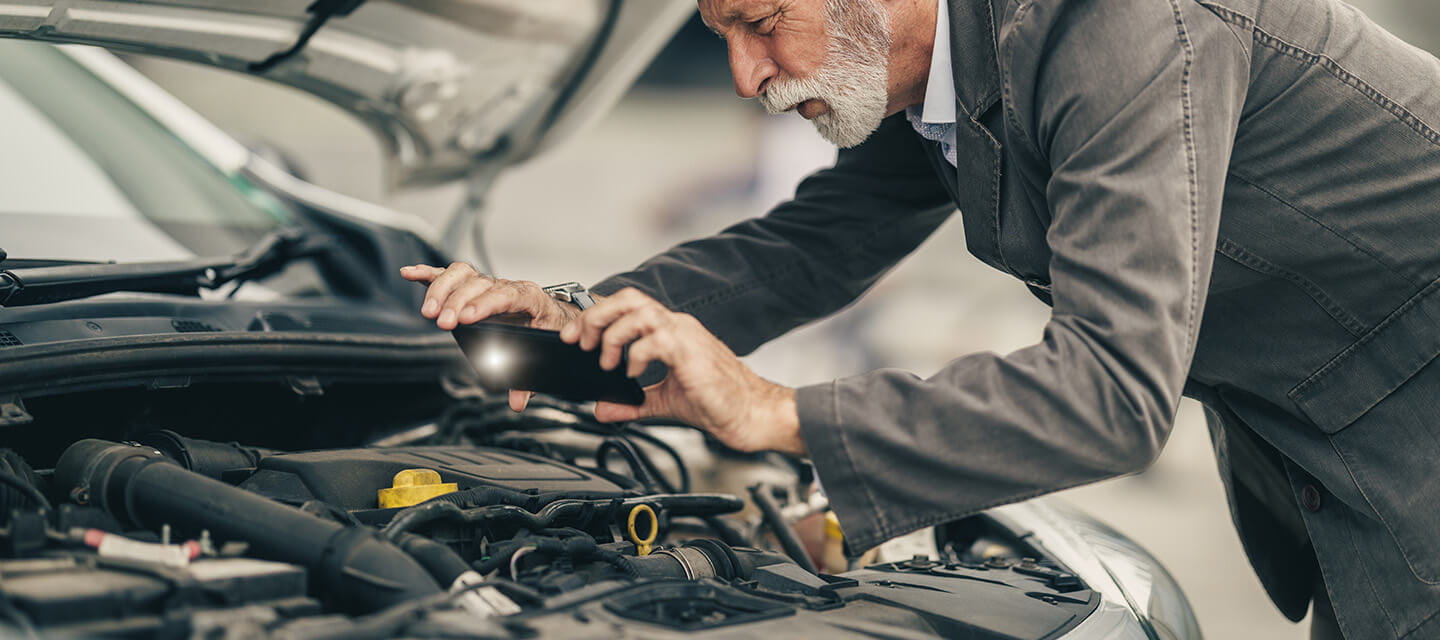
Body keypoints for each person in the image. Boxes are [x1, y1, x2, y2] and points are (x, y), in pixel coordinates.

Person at [402, 0, 1440, 637]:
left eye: (762, 23)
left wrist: (778, 411)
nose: (746, 78)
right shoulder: (957, 49)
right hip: (1346, 448)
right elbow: (814, 242)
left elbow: (1113, 396)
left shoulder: (1122, 25)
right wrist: (574, 320)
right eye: (722, 35)